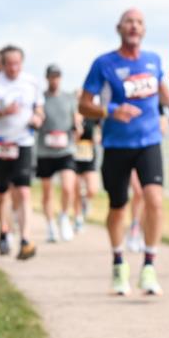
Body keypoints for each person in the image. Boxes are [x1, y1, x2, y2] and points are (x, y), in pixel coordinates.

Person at [79, 8, 169, 296]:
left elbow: (161, 89)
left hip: (148, 141)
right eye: (129, 22)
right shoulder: (104, 64)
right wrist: (111, 110)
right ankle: (119, 262)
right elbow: (84, 105)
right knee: (118, 206)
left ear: (144, 30)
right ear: (119, 28)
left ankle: (149, 266)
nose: (134, 26)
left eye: (139, 22)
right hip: (116, 145)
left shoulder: (153, 60)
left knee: (154, 200)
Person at [0, 44, 44, 260]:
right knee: (3, 192)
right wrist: (1, 112)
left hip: (23, 142)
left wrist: (38, 117)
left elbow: (39, 108)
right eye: (9, 64)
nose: (14, 68)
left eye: (17, 63)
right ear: (2, 64)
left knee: (23, 190)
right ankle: (4, 231)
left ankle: (25, 239)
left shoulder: (31, 83)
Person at [36, 64, 79, 243]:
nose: (55, 80)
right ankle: (50, 225)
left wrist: (78, 126)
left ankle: (64, 216)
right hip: (45, 151)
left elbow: (76, 118)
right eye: (52, 76)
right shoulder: (40, 99)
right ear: (47, 78)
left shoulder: (69, 98)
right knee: (47, 192)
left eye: (57, 76)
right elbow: (36, 117)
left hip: (66, 149)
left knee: (68, 187)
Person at [72, 90, 101, 233]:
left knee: (92, 189)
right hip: (73, 155)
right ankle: (78, 219)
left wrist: (98, 136)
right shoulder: (71, 115)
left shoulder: (92, 113)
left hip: (89, 153)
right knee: (76, 188)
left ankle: (85, 202)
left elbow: (99, 128)